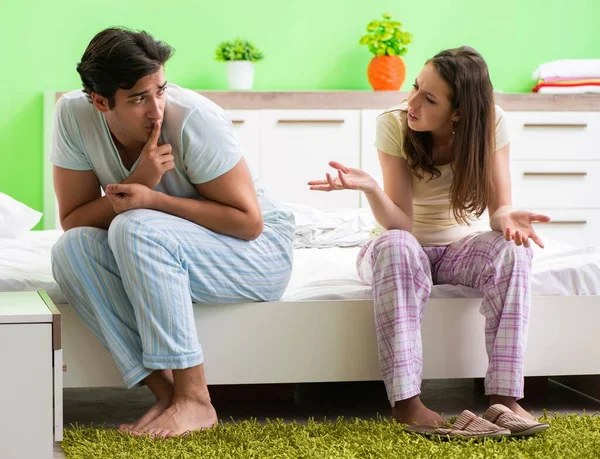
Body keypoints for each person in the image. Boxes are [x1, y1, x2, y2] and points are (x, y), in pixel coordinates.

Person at [50, 27, 295, 438]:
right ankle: (167, 393)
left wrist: (153, 198)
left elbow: (249, 223)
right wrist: (141, 177)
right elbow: (74, 220)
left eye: (160, 90)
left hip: (258, 254)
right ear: (99, 101)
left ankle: (196, 398)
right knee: (70, 250)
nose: (156, 110)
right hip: (169, 245)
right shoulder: (72, 115)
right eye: (139, 99)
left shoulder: (194, 119)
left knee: (135, 227)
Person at [308, 46, 550, 427]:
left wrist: (508, 218)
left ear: (459, 113)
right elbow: (400, 223)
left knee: (513, 252)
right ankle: (407, 404)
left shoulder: (490, 122)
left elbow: (497, 212)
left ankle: (504, 400)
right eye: (415, 87)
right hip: (404, 246)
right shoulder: (394, 123)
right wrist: (372, 188)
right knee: (396, 246)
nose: (412, 103)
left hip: (459, 251)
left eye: (429, 98)